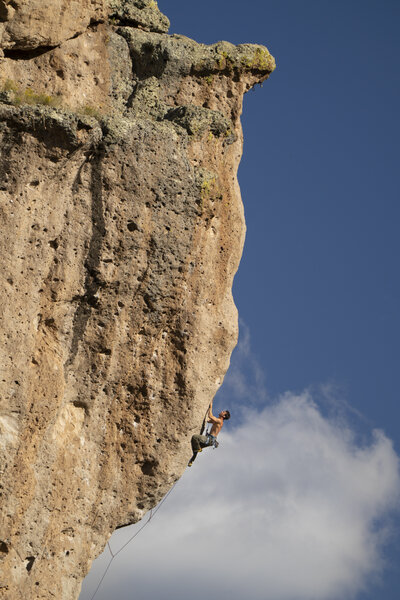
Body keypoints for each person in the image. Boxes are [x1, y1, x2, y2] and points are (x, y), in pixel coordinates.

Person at [188, 400, 230, 466]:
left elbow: (210, 416)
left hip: (209, 439)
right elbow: (208, 420)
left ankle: (199, 448)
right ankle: (191, 461)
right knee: (195, 449)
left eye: (223, 412)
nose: (221, 411)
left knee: (195, 437)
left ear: (224, 416)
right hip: (210, 441)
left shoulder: (219, 421)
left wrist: (210, 407)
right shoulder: (217, 421)